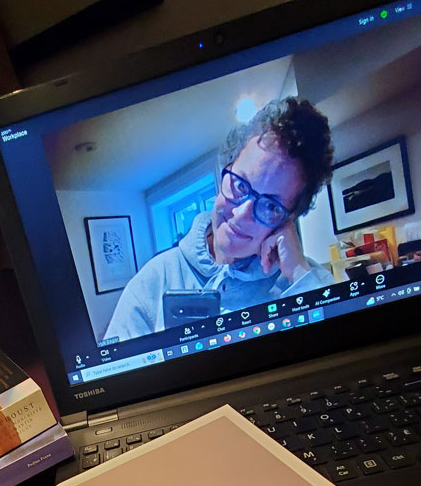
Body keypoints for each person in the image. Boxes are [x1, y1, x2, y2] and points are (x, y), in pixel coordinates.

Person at [104, 97, 335, 341]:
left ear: (288, 219)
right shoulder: (154, 279)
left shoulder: (311, 282)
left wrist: (299, 274)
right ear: (226, 168)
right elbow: (114, 376)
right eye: (239, 184)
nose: (240, 214)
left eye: (269, 205)